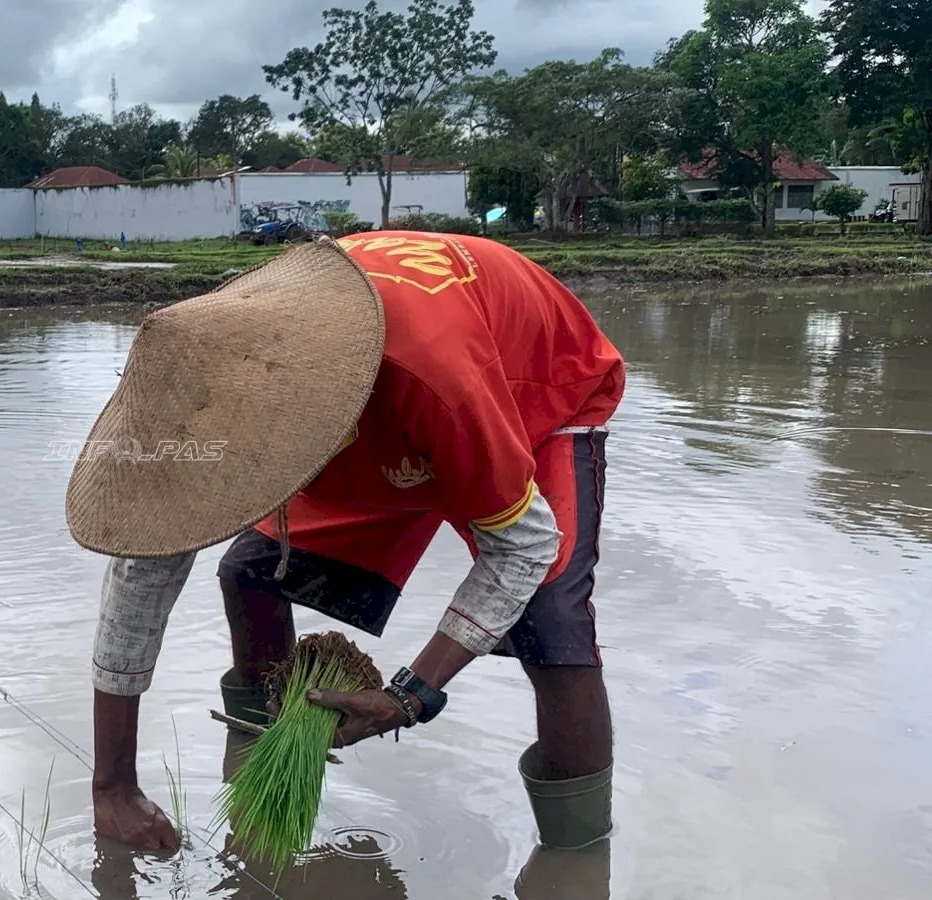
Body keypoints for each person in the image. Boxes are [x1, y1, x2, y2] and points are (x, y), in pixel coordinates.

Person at [65, 232, 626, 856]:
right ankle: (262, 800)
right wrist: (112, 786)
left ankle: (575, 862)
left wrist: (409, 695)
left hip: (532, 394)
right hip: (380, 414)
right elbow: (142, 573)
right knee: (251, 573)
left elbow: (524, 549)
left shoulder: (433, 379)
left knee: (551, 628)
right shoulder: (208, 381)